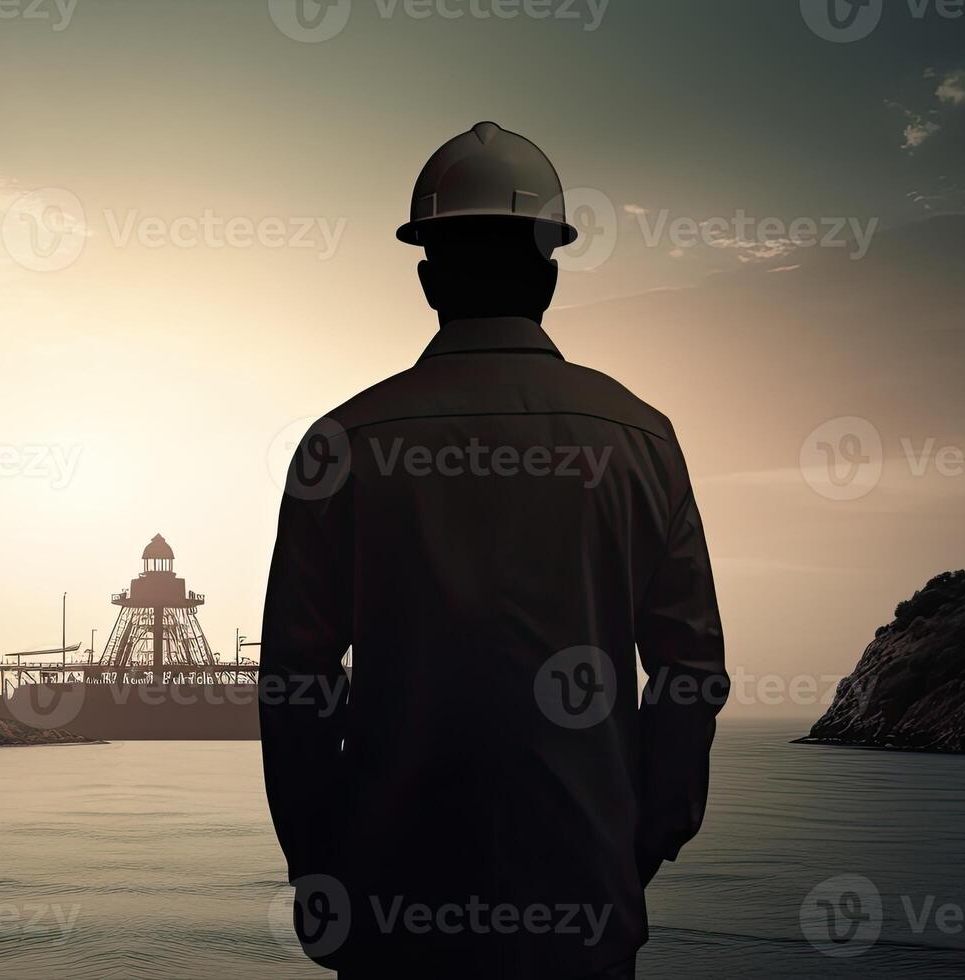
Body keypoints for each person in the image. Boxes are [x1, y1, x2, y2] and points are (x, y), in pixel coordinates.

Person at [260, 122, 728, 978]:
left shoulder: (339, 443)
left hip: (389, 906)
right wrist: (642, 840)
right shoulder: (642, 440)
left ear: (426, 275)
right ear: (549, 270)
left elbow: (296, 685)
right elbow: (688, 670)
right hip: (583, 906)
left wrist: (319, 864)